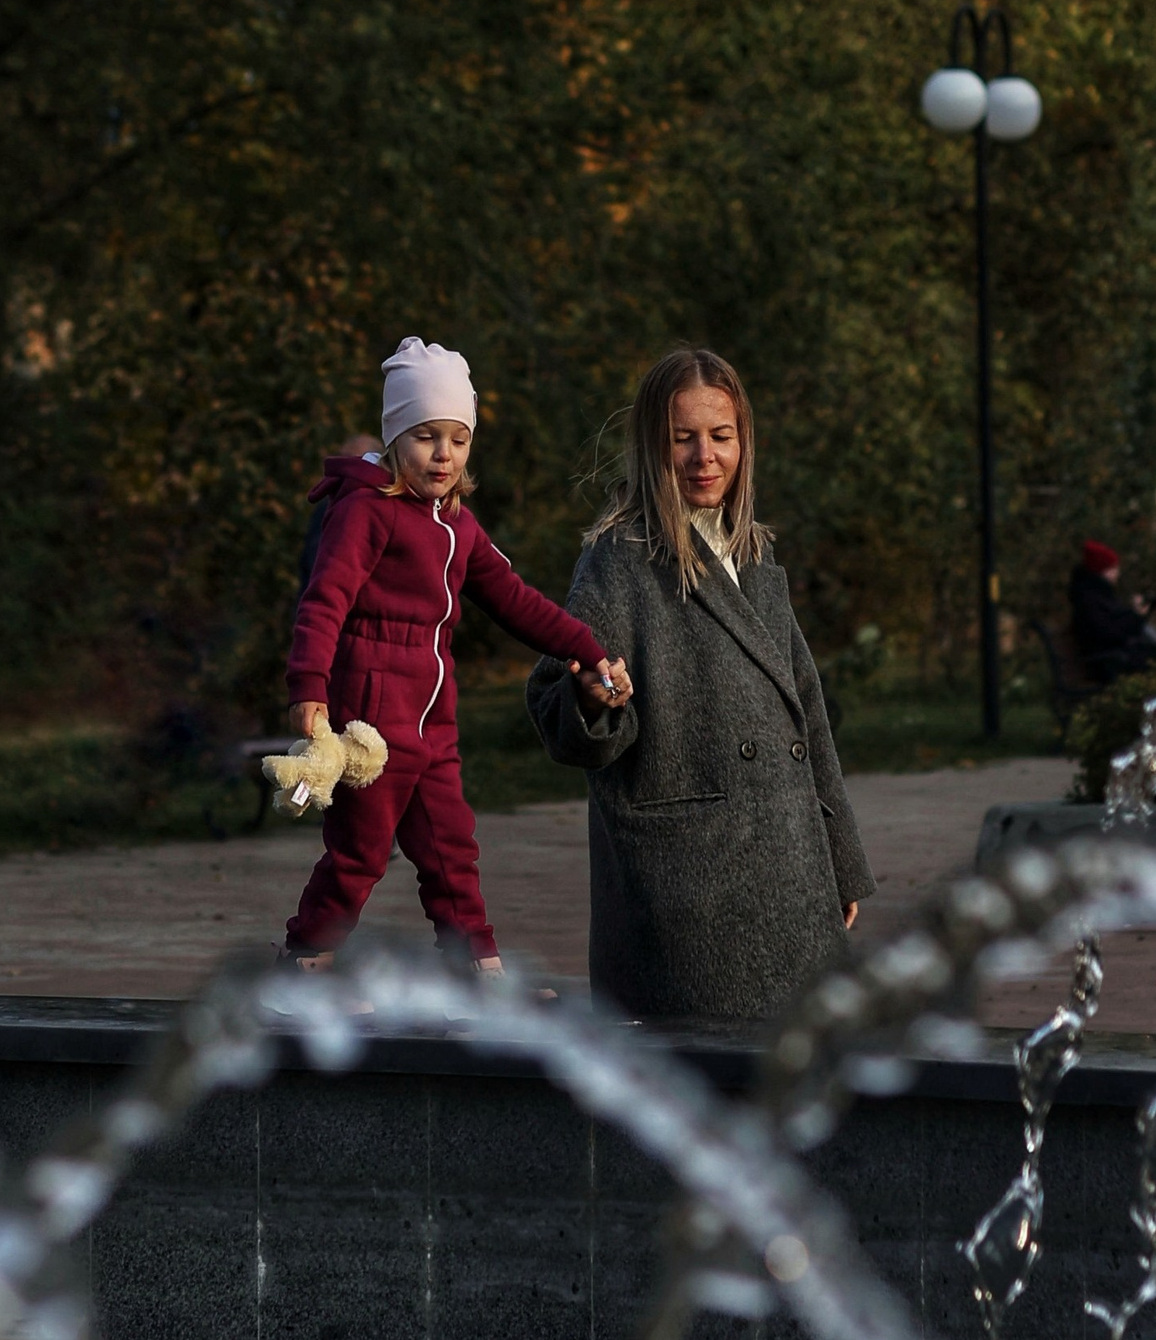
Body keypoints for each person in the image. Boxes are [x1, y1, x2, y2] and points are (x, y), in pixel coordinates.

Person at [525, 346, 875, 1027]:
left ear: (744, 440)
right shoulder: (620, 558)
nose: (703, 456)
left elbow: (804, 712)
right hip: (690, 890)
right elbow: (552, 693)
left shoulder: (752, 552)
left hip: (788, 871)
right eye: (682, 438)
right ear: (652, 445)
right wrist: (592, 698)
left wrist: (842, 860)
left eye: (721, 436)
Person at [281, 338, 626, 972]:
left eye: (458, 439)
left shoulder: (458, 525)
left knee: (451, 846)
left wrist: (588, 650)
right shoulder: (367, 512)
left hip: (433, 718)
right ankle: (307, 960)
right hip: (371, 717)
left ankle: (475, 968)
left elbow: (515, 599)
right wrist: (309, 685)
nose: (443, 454)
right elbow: (324, 598)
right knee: (360, 849)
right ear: (394, 440)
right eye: (425, 436)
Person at [1068, 538, 1156, 684]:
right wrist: (1136, 615)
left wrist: (1135, 614)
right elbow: (1111, 634)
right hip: (1113, 664)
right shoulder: (1090, 600)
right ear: (1103, 571)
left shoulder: (1095, 596)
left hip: (1120, 658)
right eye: (1113, 569)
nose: (1117, 574)